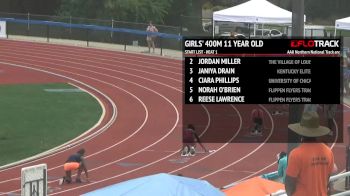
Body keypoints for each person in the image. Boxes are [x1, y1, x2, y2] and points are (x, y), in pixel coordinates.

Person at [285, 111, 335, 196]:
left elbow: (289, 183)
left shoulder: (296, 154)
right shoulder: (328, 151)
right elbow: (328, 178)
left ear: (301, 133)